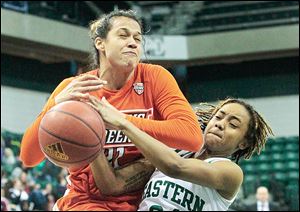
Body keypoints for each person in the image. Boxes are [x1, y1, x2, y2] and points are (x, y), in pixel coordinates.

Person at [19, 10, 203, 211]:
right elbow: (29, 157)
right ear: (100, 43)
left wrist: (121, 120)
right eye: (123, 35)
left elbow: (192, 137)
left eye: (138, 38)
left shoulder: (154, 77)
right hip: (87, 202)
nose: (133, 43)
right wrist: (54, 107)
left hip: (145, 200)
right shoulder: (74, 88)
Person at [87, 97, 274, 211]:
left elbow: (175, 167)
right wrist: (91, 138)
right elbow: (112, 185)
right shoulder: (172, 152)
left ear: (244, 142)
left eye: (233, 124)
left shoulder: (230, 172)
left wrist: (123, 123)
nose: (220, 124)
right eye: (218, 116)